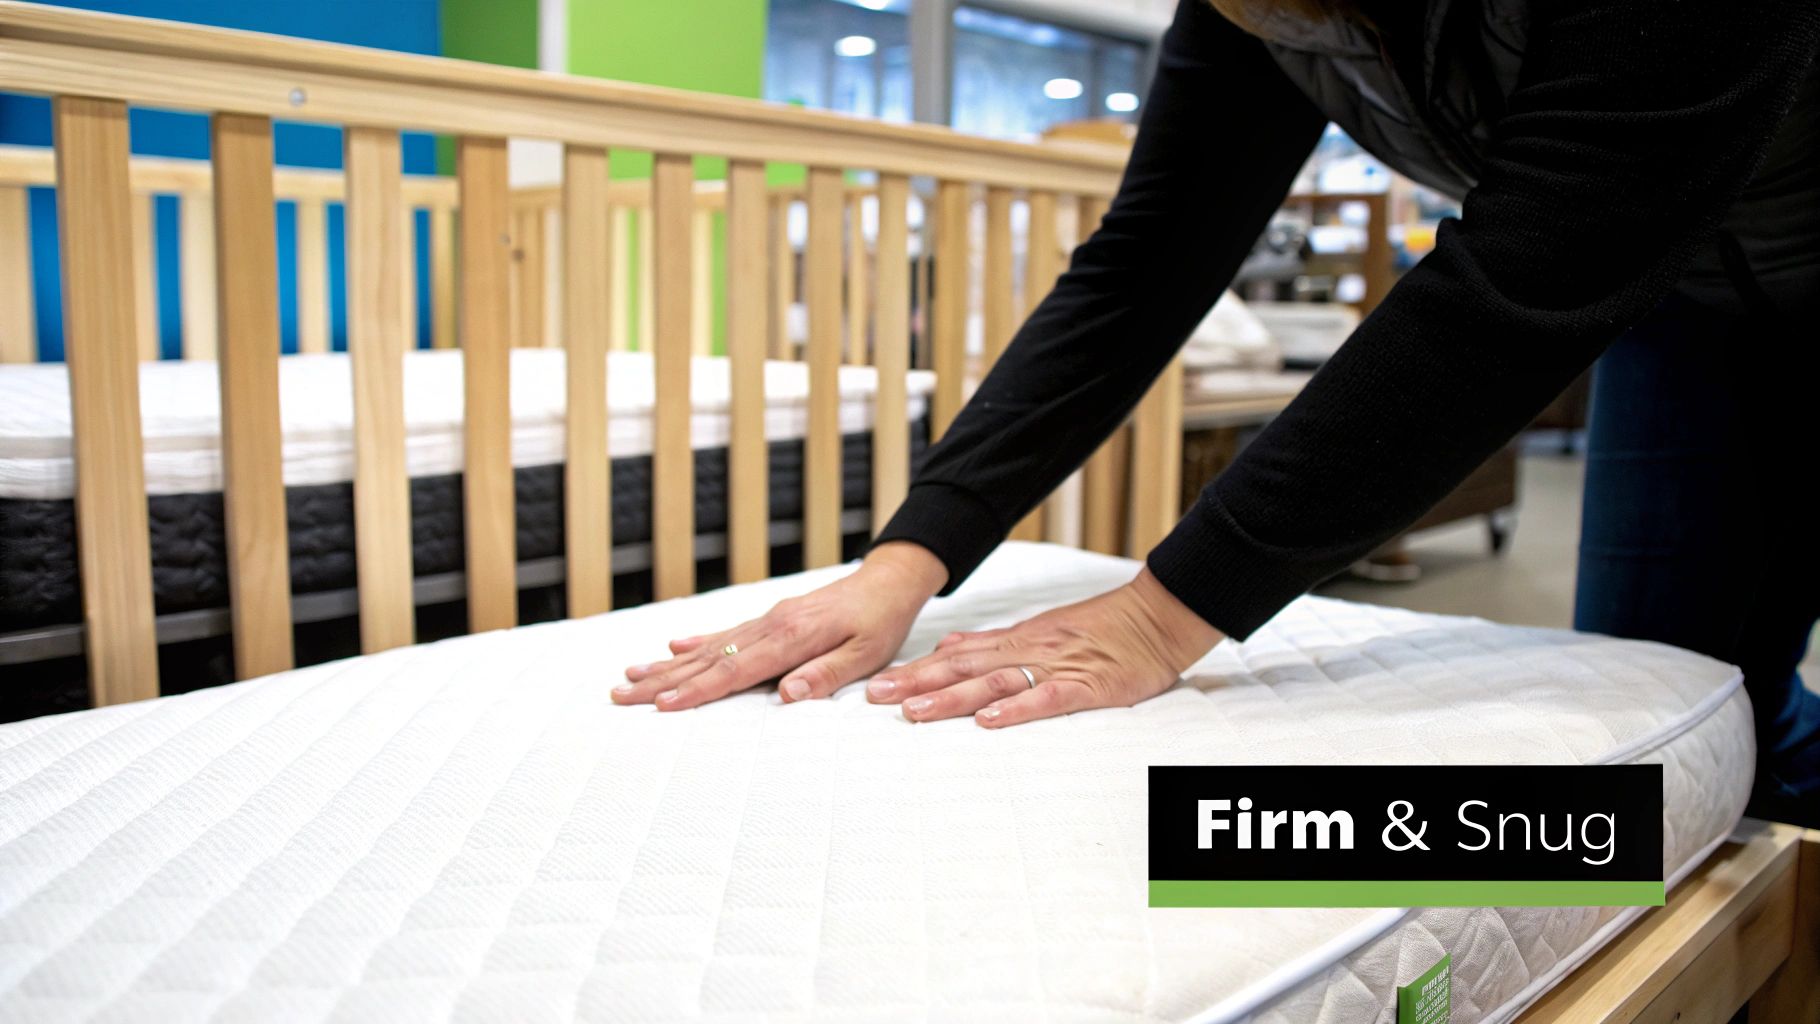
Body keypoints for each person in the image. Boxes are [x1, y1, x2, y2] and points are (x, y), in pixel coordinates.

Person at [613, 0, 1820, 825]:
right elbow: (1143, 263)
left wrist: (1160, 614)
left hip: (1717, 240)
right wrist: (908, 555)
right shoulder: (1254, 17)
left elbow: (1518, 276)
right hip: (1686, 293)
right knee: (1701, 716)